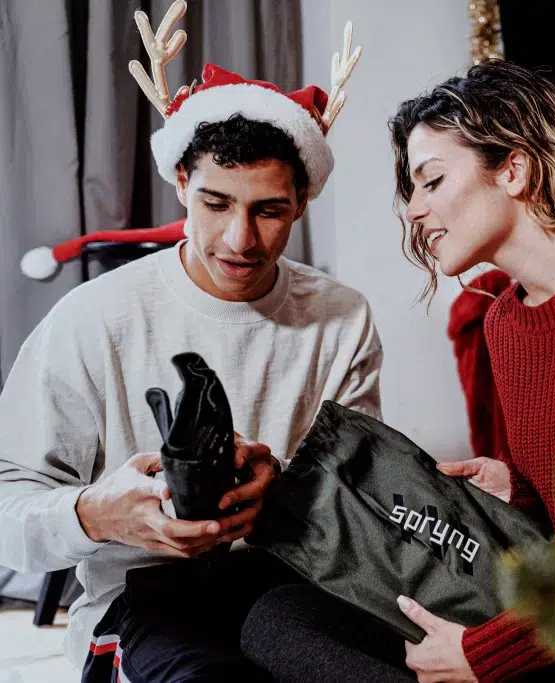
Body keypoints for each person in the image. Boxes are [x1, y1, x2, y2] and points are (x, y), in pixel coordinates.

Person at [243, 60, 555, 683]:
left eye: (432, 181)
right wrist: (517, 488)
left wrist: (485, 654)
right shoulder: (504, 320)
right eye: (412, 189)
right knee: (282, 619)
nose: (414, 211)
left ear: (514, 168)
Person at [0, 5, 379, 682]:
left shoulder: (341, 318)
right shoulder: (91, 319)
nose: (240, 239)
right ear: (181, 183)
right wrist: (97, 513)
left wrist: (281, 498)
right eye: (214, 203)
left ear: (301, 202)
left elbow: (362, 503)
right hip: (141, 608)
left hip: (295, 592)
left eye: (268, 210)